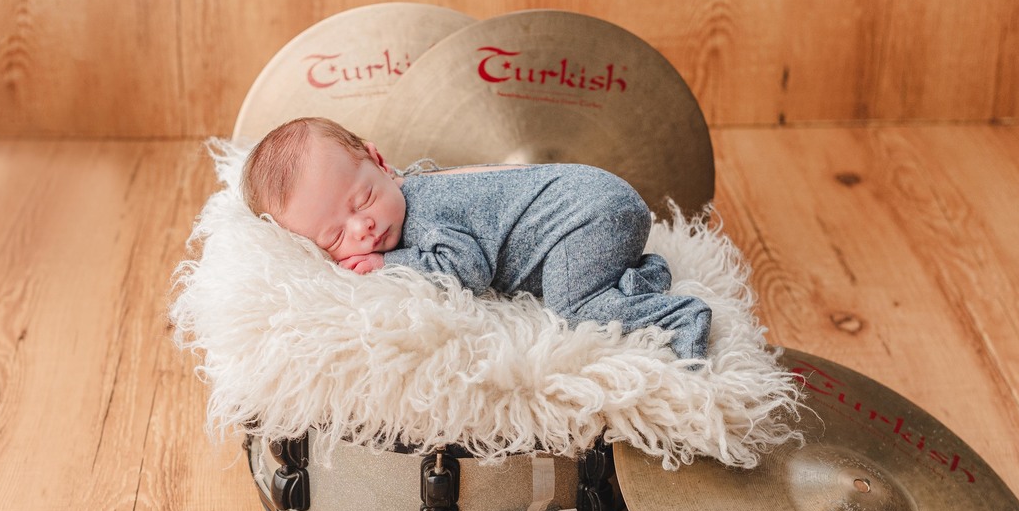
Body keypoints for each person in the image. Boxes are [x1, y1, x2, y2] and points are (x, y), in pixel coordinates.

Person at [241, 116, 712, 361]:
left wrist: (391, 265)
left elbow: (469, 268)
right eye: (335, 235)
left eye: (363, 198)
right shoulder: (403, 195)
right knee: (580, 285)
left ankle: (680, 318)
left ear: (380, 162)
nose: (362, 227)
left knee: (572, 310)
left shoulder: (426, 212)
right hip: (600, 203)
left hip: (588, 214)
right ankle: (641, 278)